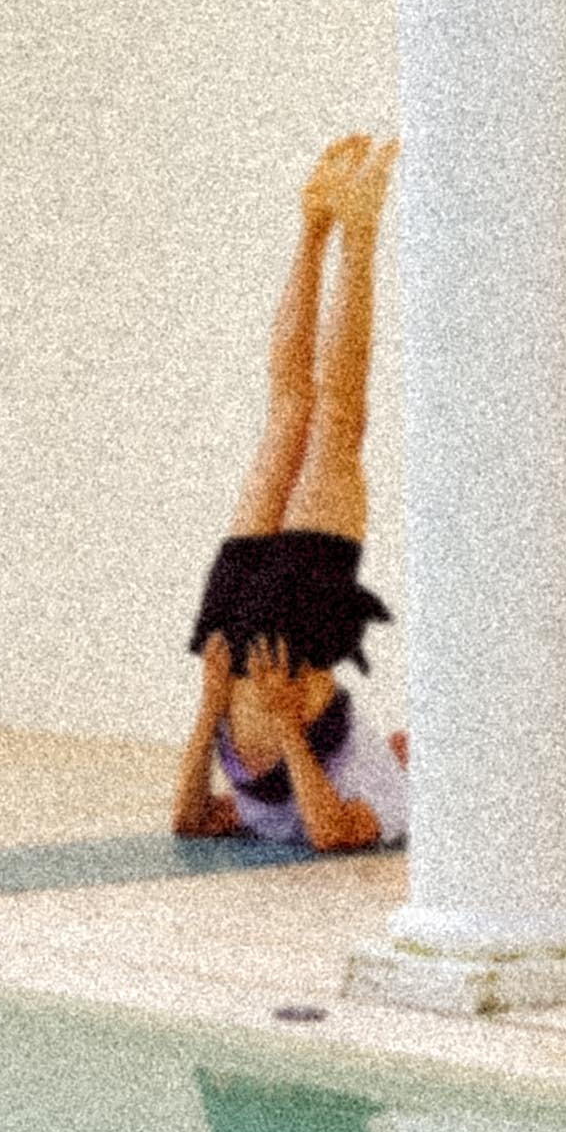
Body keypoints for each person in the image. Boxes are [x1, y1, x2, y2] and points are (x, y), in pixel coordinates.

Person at [170, 134, 410, 852]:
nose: (409, 739)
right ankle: (336, 230)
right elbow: (333, 828)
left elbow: (191, 818)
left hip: (248, 648)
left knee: (302, 413)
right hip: (288, 650)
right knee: (320, 415)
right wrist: (280, 720)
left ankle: (328, 227)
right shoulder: (395, 799)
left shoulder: (395, 792)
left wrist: (215, 704)